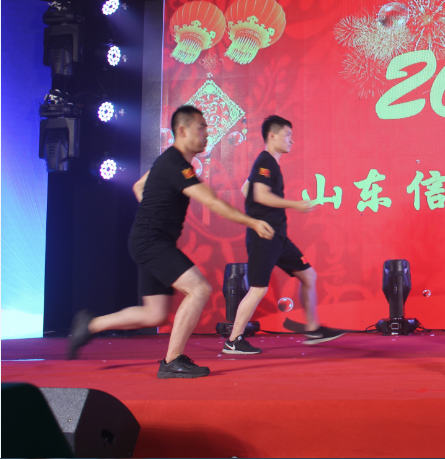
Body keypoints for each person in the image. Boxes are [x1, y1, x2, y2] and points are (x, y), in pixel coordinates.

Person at [67, 105, 275, 378]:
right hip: (152, 242)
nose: (206, 133)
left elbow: (139, 187)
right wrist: (253, 222)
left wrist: (153, 213)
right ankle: (172, 361)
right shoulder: (175, 163)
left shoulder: (168, 161)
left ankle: (90, 325)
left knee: (154, 315)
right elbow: (212, 202)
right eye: (201, 128)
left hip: (149, 239)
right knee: (199, 289)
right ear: (182, 130)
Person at [222, 115, 345, 356]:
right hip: (264, 237)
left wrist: (258, 212)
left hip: (279, 238)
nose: (291, 140)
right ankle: (234, 340)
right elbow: (259, 194)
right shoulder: (265, 161)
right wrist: (293, 205)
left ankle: (313, 329)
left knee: (308, 275)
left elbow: (247, 189)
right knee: (258, 289)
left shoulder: (269, 164)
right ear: (272, 136)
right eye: (287, 134)